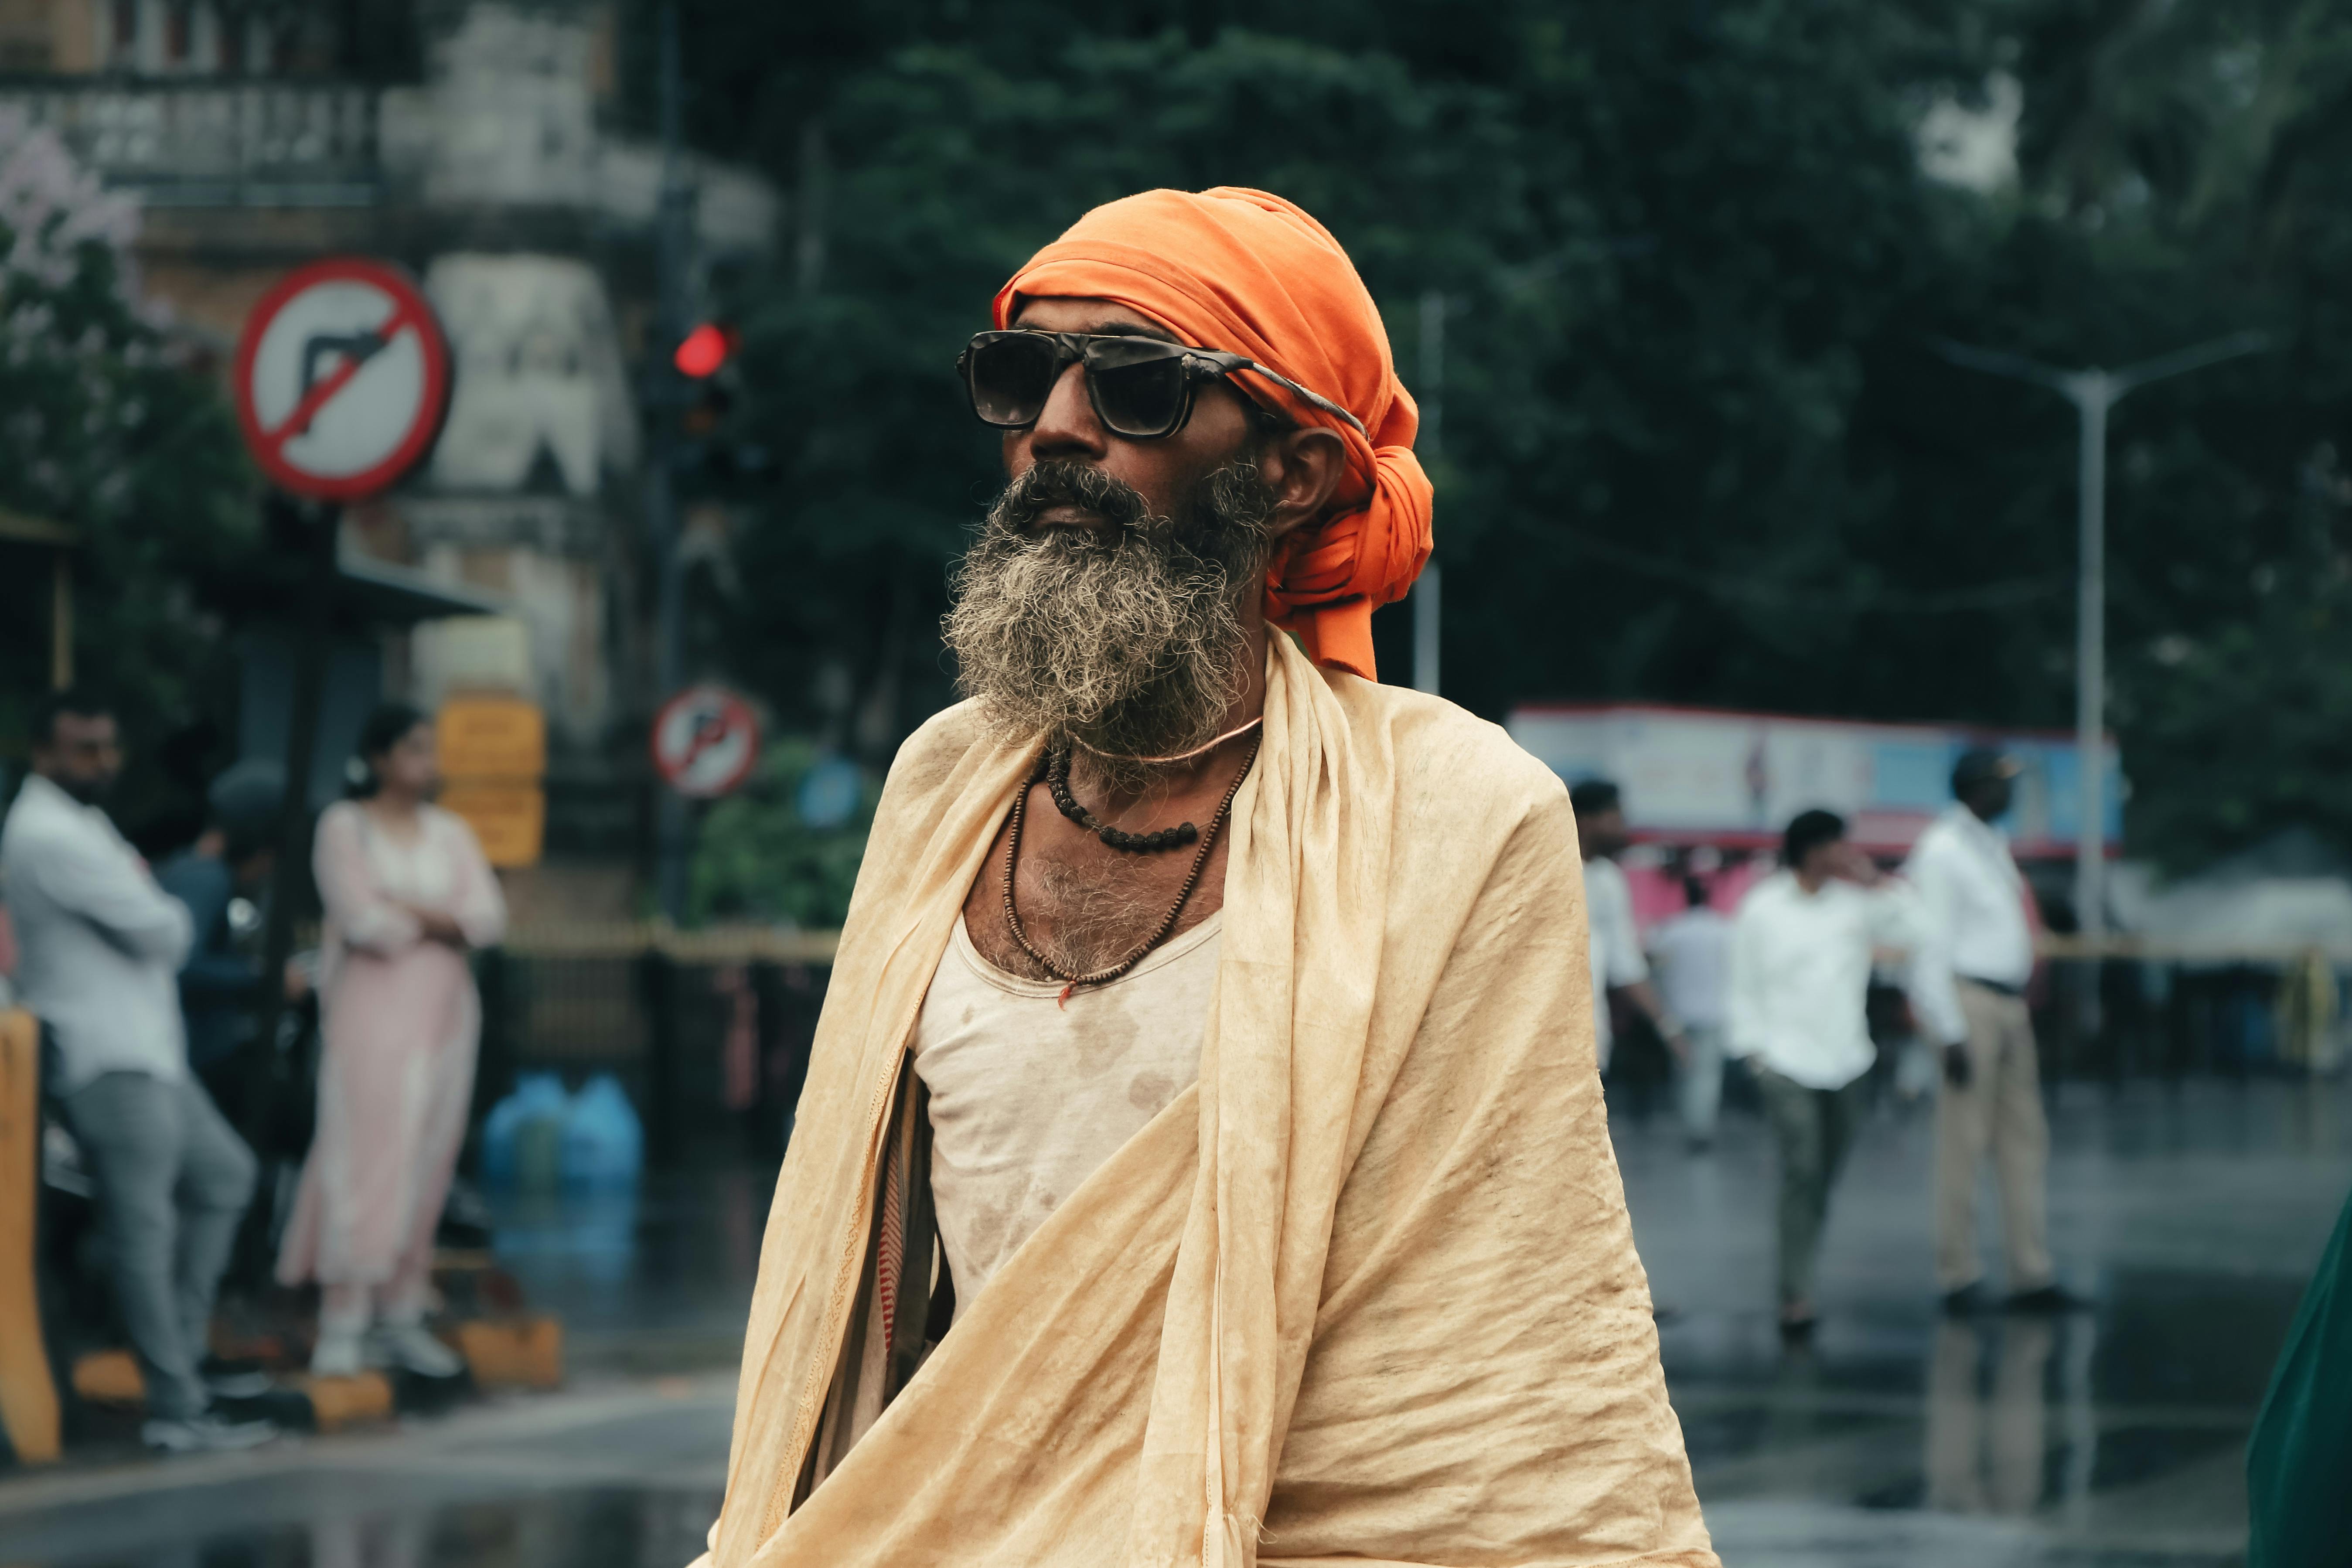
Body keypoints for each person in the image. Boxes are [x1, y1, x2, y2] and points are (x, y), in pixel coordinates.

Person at [695, 189, 1716, 1567]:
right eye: (1021, 376)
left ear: (1289, 472)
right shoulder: (945, 781)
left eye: (1138, 386)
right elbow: (879, 1299)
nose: (1057, 426)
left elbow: (1486, 1384)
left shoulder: (1458, 814)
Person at [0, 690, 272, 1452]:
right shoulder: (45, 832)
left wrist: (153, 905)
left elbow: (154, 922)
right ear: (44, 753)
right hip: (103, 1056)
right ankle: (174, 1407)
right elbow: (164, 929)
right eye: (83, 748)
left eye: (107, 746)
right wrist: (155, 903)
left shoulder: (85, 824)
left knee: (225, 1177)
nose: (101, 761)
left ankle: (181, 1361)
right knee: (142, 1229)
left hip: (152, 1052)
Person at [276, 703, 507, 1378]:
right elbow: (366, 922)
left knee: (428, 1157)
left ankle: (401, 1311)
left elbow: (488, 919)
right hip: (369, 1016)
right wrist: (442, 920)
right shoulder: (344, 826)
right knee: (365, 1154)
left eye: (430, 749)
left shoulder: (450, 832)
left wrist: (412, 910)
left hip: (445, 1018)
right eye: (412, 748)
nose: (426, 761)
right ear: (377, 758)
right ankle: (343, 1318)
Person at [1728, 809, 1926, 1336]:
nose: (1847, 853)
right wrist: (1755, 1053)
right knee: (1802, 1168)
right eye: (1839, 845)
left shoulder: (1856, 904)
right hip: (1785, 1061)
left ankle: (1801, 1269)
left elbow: (1918, 930)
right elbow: (1743, 982)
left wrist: (1879, 882)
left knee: (1821, 1177)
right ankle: (1796, 1292)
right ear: (1813, 849)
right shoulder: (1763, 906)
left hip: (1848, 1060)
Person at [1905, 747, 2079, 1315]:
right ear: (1975, 788)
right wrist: (1948, 1028)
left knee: (2023, 1142)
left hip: (2007, 1006)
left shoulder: (1989, 845)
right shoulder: (1942, 849)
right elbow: (1927, 946)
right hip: (1969, 1004)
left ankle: (2030, 1272)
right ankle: (1957, 1275)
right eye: (2002, 783)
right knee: (1963, 1143)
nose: (2010, 794)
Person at [154, 759, 306, 1130]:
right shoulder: (208, 878)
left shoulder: (189, 870)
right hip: (200, 1058)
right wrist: (264, 977)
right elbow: (183, 964)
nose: (269, 867)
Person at [1571, 777, 1689, 1076]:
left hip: (1590, 1042)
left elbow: (1625, 965)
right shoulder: (1548, 870)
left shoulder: (1609, 879)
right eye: (1615, 819)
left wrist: (1669, 1028)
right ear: (1585, 821)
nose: (1623, 828)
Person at [1651, 874, 1733, 1149]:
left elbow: (1656, 967)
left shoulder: (1671, 930)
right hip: (1713, 1012)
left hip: (1678, 1013)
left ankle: (1692, 1124)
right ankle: (1701, 1129)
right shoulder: (1723, 929)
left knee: (1684, 1074)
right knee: (1707, 1076)